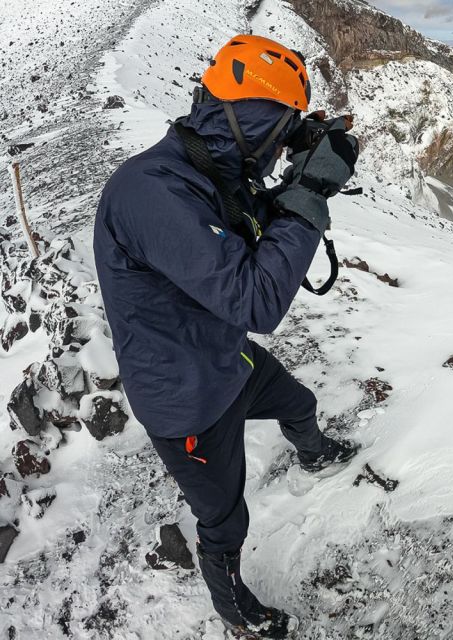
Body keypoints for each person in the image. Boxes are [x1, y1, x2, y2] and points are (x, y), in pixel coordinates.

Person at [93, 35, 360, 639]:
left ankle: (315, 453)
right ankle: (231, 605)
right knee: (223, 516)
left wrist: (297, 169)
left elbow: (243, 227)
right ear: (251, 121)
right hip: (184, 398)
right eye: (281, 127)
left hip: (223, 355)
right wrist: (310, 192)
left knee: (299, 402)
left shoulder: (206, 167)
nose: (282, 142)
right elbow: (257, 299)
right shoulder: (150, 191)